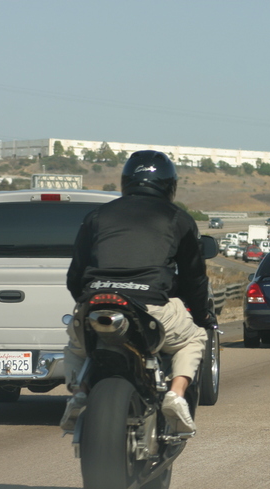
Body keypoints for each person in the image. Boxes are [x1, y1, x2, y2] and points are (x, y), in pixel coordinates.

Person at [61, 150, 213, 435]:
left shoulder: (97, 215)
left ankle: (79, 392)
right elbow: (194, 278)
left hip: (97, 305)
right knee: (194, 337)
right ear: (170, 184)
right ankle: (177, 395)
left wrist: (87, 300)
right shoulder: (178, 218)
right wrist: (202, 315)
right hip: (151, 307)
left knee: (74, 346)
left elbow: (75, 275)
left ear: (127, 180)